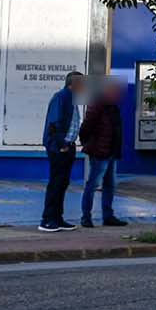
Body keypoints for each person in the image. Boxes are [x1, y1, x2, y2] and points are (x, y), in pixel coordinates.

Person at [78, 78, 128, 228]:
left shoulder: (113, 107)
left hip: (111, 151)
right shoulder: (97, 105)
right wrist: (89, 143)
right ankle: (86, 216)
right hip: (100, 152)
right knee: (93, 184)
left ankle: (108, 216)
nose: (117, 94)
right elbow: (86, 127)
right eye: (114, 91)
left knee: (110, 185)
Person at [39, 71, 84, 232]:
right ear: (74, 83)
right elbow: (54, 123)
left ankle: (58, 217)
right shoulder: (61, 97)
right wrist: (61, 144)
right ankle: (47, 219)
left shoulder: (72, 99)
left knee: (63, 183)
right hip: (60, 147)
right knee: (56, 183)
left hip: (68, 146)